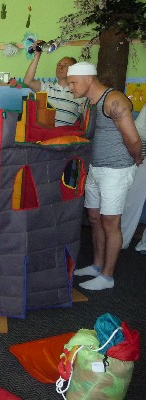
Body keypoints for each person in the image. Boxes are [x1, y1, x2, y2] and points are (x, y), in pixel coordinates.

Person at [68, 62, 143, 290]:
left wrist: (136, 159)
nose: (71, 87)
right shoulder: (89, 103)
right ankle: (97, 265)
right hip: (96, 168)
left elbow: (133, 139)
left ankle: (107, 277)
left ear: (89, 79)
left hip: (116, 171)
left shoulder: (114, 100)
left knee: (110, 222)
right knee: (94, 217)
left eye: (74, 82)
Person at [23, 46, 85, 127]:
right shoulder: (46, 88)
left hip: (67, 134)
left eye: (65, 65)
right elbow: (27, 81)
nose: (60, 67)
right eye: (59, 64)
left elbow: (83, 122)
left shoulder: (79, 94)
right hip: (47, 133)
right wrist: (37, 55)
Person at [120, 106, 146, 250]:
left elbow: (139, 131)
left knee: (131, 202)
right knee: (131, 201)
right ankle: (120, 240)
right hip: (142, 157)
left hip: (142, 158)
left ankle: (121, 240)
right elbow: (138, 131)